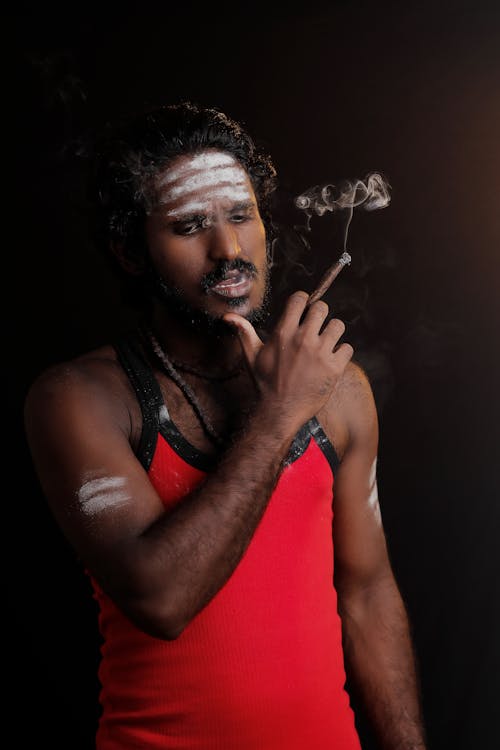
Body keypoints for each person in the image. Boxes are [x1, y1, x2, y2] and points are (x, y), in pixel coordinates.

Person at [24, 101, 427, 749]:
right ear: (132, 253)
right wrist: (277, 415)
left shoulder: (339, 390)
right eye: (190, 226)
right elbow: (162, 601)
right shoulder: (79, 399)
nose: (229, 249)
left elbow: (368, 590)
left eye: (242, 216)